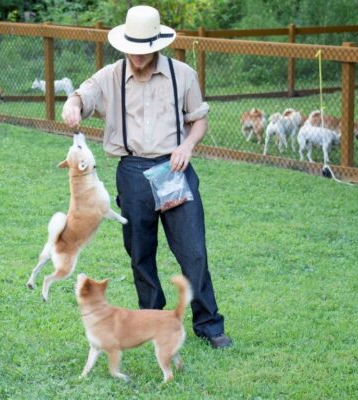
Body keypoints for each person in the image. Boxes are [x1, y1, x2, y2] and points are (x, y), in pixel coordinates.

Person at [61, 5, 232, 349]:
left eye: (144, 51)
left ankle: (209, 325)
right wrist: (73, 105)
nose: (137, 57)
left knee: (193, 250)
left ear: (158, 45)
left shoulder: (182, 75)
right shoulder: (110, 75)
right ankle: (151, 320)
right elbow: (83, 95)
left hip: (174, 167)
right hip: (133, 171)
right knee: (140, 252)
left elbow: (199, 119)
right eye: (131, 50)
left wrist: (187, 145)